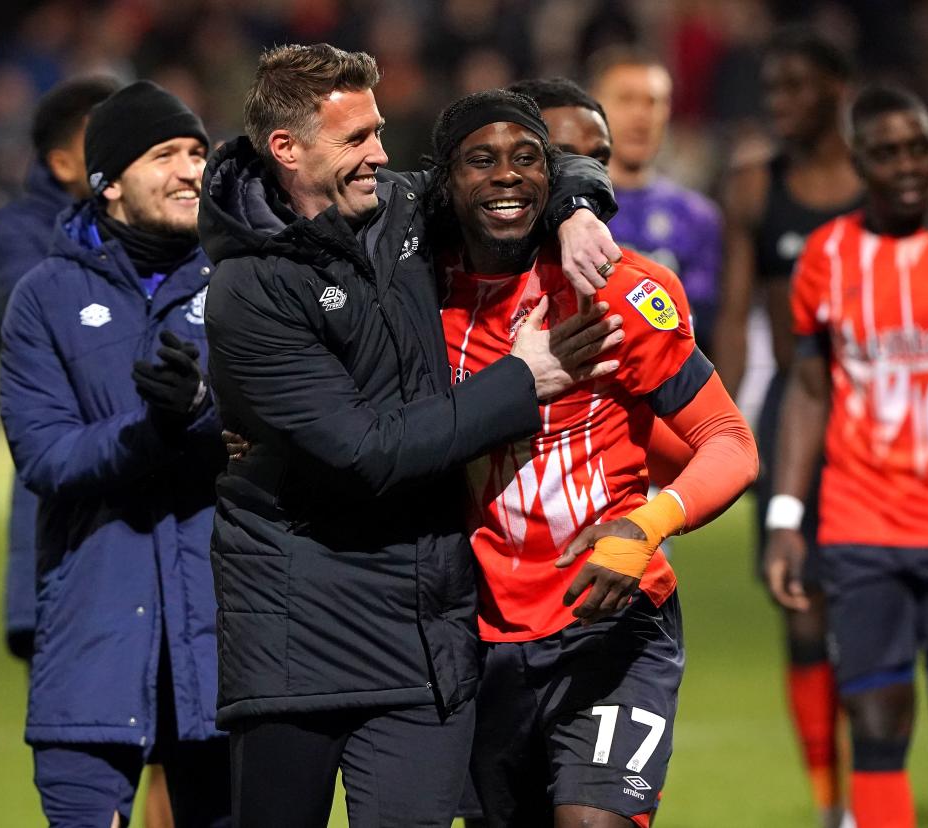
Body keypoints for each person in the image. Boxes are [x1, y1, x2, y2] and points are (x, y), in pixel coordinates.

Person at [200, 43, 623, 828]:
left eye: (379, 130)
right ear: (288, 150)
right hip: (299, 630)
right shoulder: (246, 289)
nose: (381, 154)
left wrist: (575, 211)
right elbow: (366, 450)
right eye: (357, 138)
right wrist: (519, 381)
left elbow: (519, 172)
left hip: (424, 630)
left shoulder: (398, 209)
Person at [430, 89, 756, 828]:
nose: (513, 179)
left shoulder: (623, 290)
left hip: (610, 625)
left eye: (540, 162)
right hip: (474, 635)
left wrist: (644, 527)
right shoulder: (419, 298)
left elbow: (730, 442)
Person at [0, 81, 229, 828]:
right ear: (108, 182)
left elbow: (280, 430)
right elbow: (47, 456)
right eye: (165, 154)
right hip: (92, 631)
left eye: (198, 153)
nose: (191, 170)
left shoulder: (242, 279)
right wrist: (152, 432)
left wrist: (197, 413)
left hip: (230, 634)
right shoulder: (44, 295)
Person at [765, 85, 928, 828]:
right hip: (862, 526)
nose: (906, 166)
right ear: (859, 162)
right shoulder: (828, 257)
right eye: (887, 152)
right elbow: (807, 387)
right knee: (878, 725)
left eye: (918, 147)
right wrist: (789, 517)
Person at [711, 29, 861, 826]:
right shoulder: (753, 188)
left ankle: (874, 778)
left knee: (872, 615)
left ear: (841, 88)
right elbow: (734, 323)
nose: (781, 104)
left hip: (882, 425)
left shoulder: (887, 182)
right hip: (793, 417)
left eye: (798, 87)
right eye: (773, 89)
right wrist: (720, 424)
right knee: (802, 612)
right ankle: (833, 805)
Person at [0, 75, 119, 662]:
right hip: (66, 470)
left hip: (153, 469)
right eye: (108, 140)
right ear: (64, 162)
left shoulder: (171, 225)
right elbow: (47, 332)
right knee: (71, 678)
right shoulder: (18, 233)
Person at [585, 51, 723, 354]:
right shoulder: (569, 209)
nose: (641, 115)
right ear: (593, 109)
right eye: (626, 99)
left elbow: (702, 324)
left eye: (653, 102)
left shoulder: (698, 216)